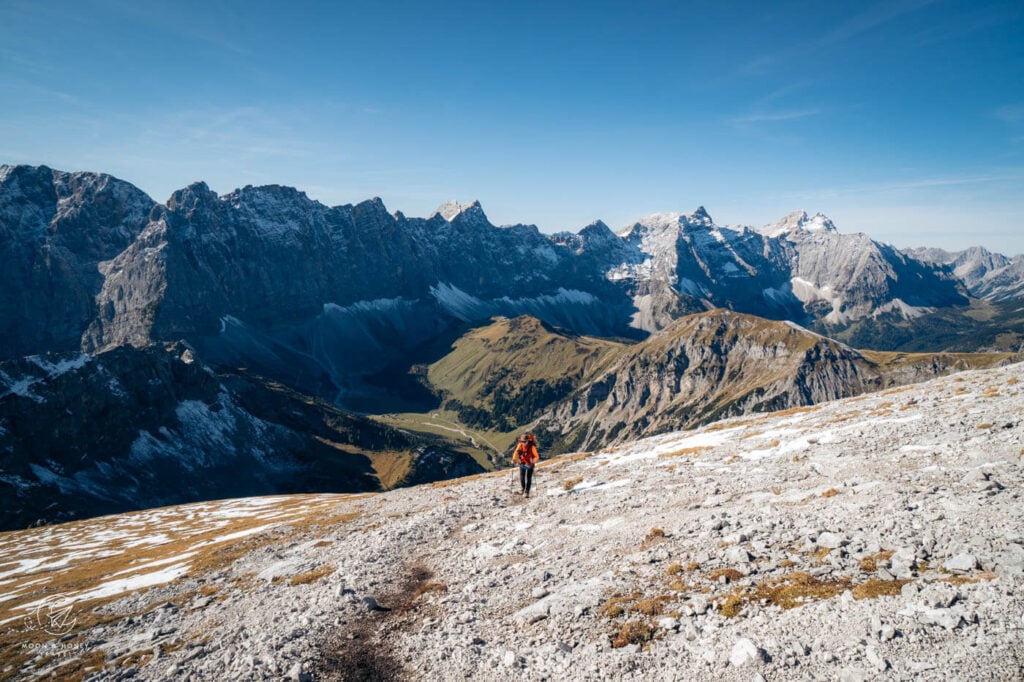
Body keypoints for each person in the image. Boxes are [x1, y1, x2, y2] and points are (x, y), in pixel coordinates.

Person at [512, 433, 539, 498]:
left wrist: (533, 461)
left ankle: (527, 492)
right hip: (522, 463)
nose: (523, 443)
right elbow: (516, 453)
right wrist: (514, 459)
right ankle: (523, 488)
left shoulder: (532, 447)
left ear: (528, 440)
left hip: (530, 464)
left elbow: (536, 456)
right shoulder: (520, 445)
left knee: (528, 478)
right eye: (522, 441)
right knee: (522, 477)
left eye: (525, 441)